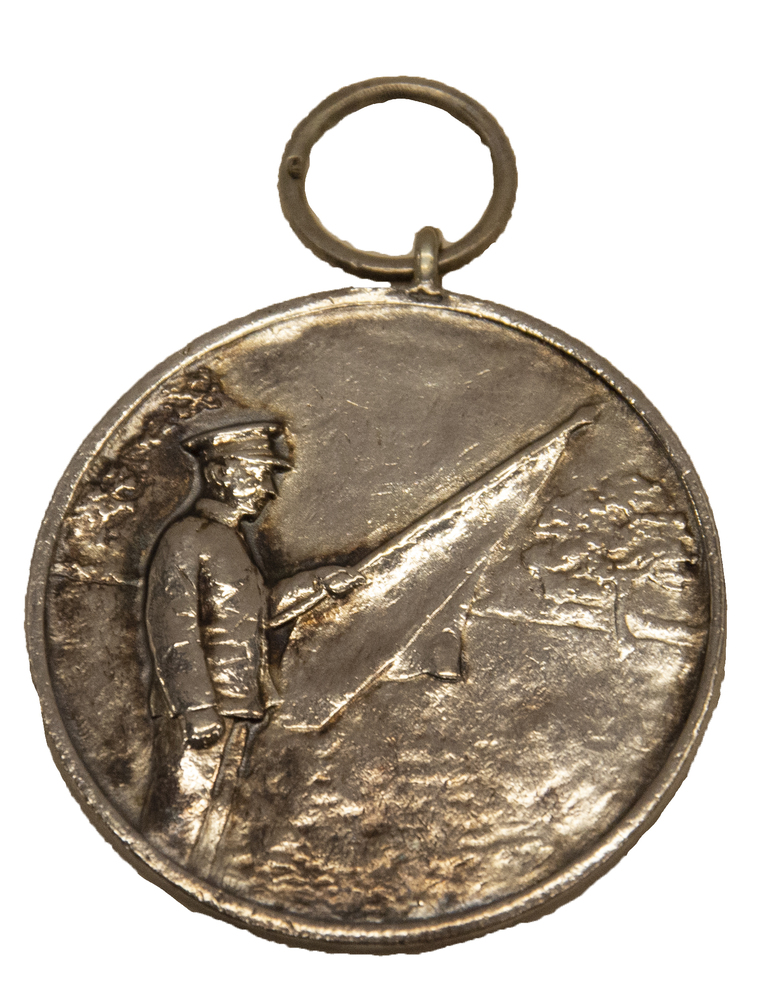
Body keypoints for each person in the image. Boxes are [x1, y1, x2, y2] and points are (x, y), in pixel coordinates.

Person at [141, 420, 361, 867]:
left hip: (238, 705)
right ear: (221, 474)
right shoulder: (188, 538)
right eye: (260, 474)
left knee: (212, 823)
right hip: (206, 714)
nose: (269, 490)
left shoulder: (227, 539)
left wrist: (319, 583)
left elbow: (261, 613)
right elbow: (172, 630)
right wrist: (196, 708)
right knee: (179, 825)